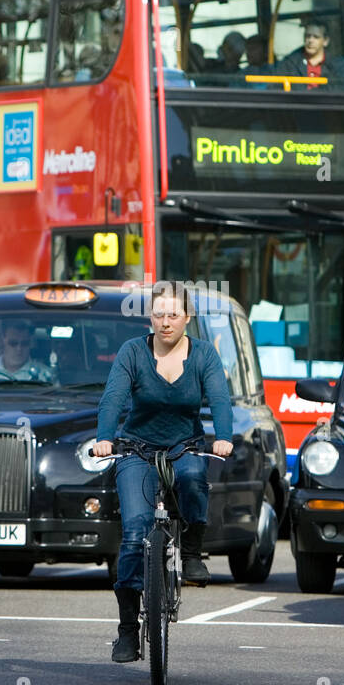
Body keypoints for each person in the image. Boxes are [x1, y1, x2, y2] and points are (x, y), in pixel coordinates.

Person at [92, 283, 234, 664]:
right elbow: (113, 398)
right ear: (149, 317)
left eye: (174, 315)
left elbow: (219, 398)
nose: (166, 322)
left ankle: (191, 551)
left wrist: (223, 437)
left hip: (185, 445)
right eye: (159, 314)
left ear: (187, 318)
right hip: (137, 448)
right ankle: (126, 631)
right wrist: (105, 438)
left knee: (191, 479)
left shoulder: (203, 355)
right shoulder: (133, 352)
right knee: (136, 530)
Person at [0, 319, 55, 383]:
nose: (19, 349)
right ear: (3, 339)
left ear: (31, 343)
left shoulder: (45, 375)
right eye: (13, 343)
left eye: (24, 343)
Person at [275, 20, 344, 82]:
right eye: (308, 36)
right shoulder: (289, 64)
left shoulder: (339, 66)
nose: (310, 40)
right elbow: (275, 88)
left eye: (316, 37)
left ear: (325, 41)